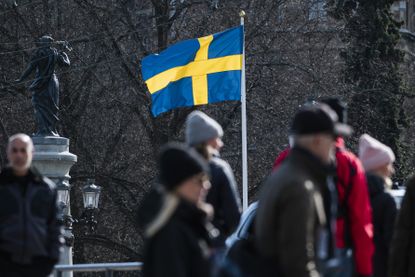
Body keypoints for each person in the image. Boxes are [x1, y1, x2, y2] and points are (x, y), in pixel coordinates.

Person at [272, 97, 374, 277]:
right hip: (339, 250)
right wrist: (364, 269)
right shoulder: (349, 163)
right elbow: (361, 220)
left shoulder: (286, 161)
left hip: (290, 249)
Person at [255, 103, 352, 277]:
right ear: (317, 141)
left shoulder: (286, 174)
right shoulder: (300, 186)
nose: (334, 147)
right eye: (332, 139)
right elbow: (298, 264)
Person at [138, 143, 214, 277]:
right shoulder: (171, 232)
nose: (207, 186)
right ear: (180, 184)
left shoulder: (187, 223)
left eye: (207, 179)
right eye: (200, 179)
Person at [0, 134, 63, 277]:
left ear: (32, 153)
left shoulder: (47, 188)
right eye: (14, 150)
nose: (19, 155)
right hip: (5, 267)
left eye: (23, 150)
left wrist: (51, 259)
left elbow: (55, 227)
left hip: (38, 267)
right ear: (8, 153)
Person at [185, 111, 241, 248]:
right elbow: (233, 217)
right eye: (217, 138)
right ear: (208, 140)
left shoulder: (177, 168)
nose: (221, 144)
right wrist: (218, 232)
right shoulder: (219, 169)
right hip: (212, 248)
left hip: (181, 247)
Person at [358, 134, 397, 277]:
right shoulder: (386, 200)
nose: (392, 170)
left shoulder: (354, 196)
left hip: (359, 268)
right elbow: (393, 242)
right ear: (380, 167)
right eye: (389, 164)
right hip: (382, 268)